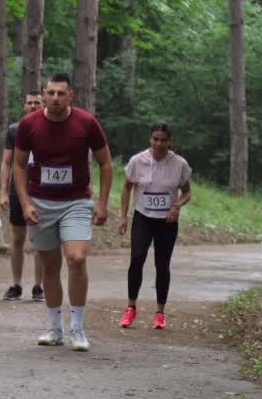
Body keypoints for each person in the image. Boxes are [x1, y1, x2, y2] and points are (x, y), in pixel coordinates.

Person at [12, 73, 112, 352]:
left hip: (76, 201)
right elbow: (18, 166)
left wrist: (102, 203)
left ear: (71, 95)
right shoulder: (29, 125)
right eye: (51, 93)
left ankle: (77, 328)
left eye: (61, 93)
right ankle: (55, 328)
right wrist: (25, 203)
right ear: (43, 94)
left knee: (77, 259)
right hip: (40, 202)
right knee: (50, 266)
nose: (55, 98)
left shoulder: (86, 123)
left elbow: (105, 163)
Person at [117, 122, 192, 330]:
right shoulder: (137, 161)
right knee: (137, 259)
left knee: (162, 264)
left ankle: (160, 312)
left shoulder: (180, 164)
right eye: (155, 139)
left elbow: (187, 192)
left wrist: (177, 205)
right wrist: (123, 216)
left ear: (170, 141)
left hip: (167, 221)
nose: (159, 144)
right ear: (150, 138)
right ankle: (131, 307)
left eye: (163, 140)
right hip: (143, 217)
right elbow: (126, 188)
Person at [0, 91, 45, 301]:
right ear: (24, 106)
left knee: (40, 239)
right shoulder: (14, 130)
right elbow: (7, 162)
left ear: (42, 104)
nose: (33, 106)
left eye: (37, 103)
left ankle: (38, 287)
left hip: (43, 189)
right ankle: (16, 285)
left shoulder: (50, 128)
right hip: (18, 190)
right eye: (30, 103)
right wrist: (3, 192)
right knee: (18, 238)